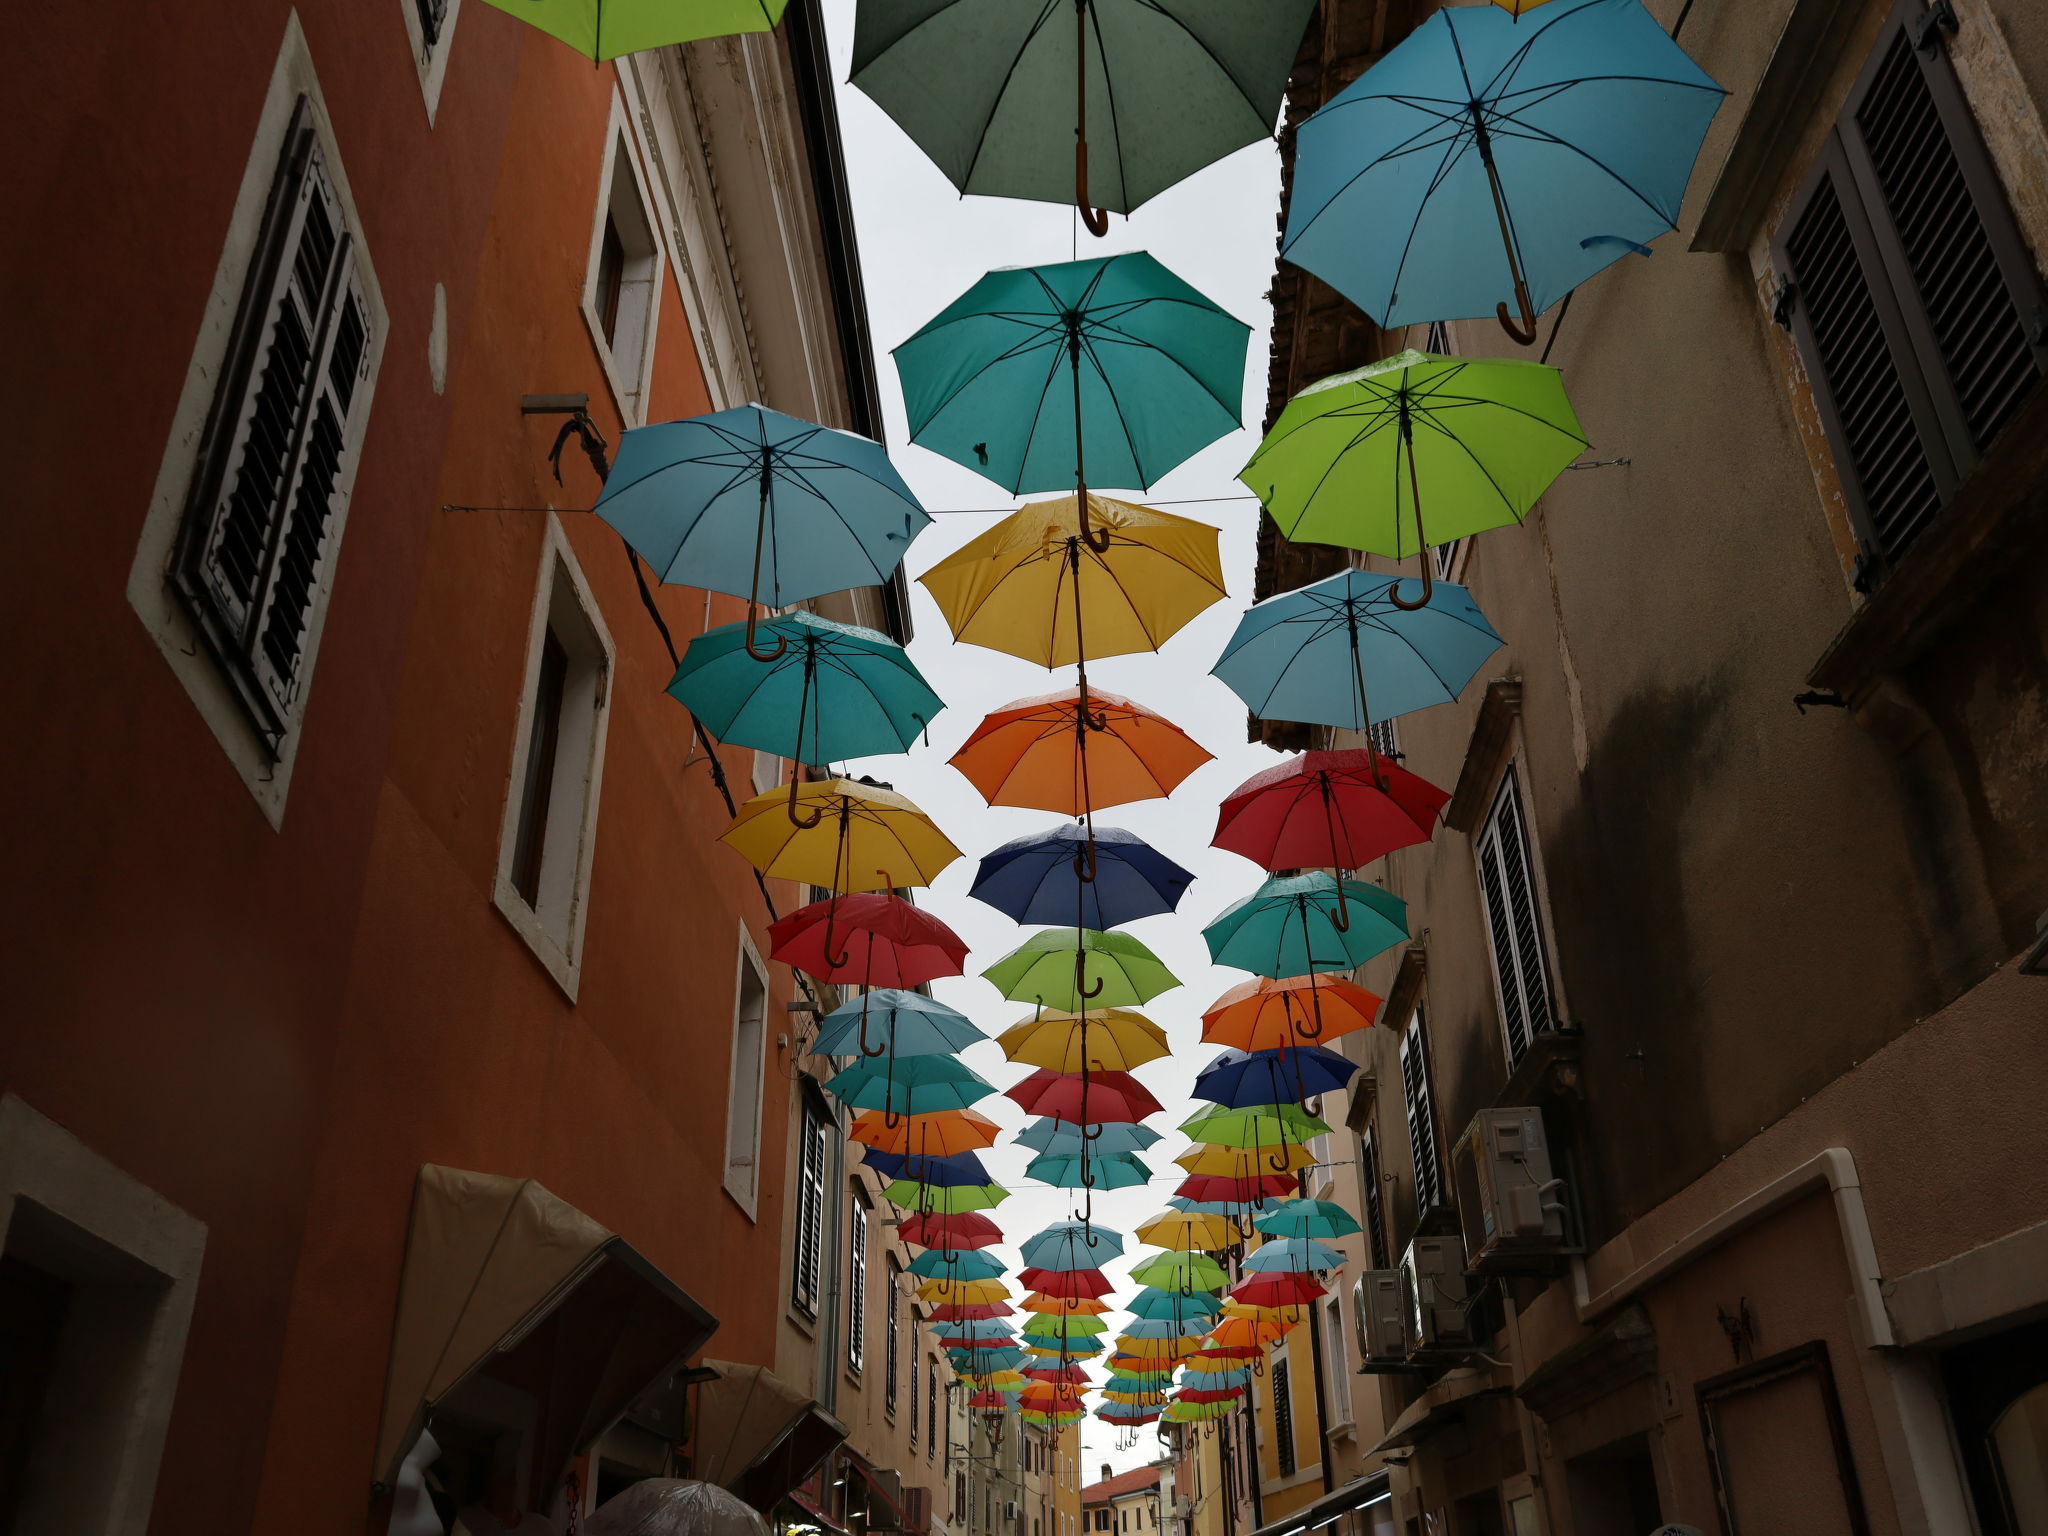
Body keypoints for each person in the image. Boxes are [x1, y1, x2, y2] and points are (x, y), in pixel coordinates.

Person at [454, 1460, 562, 1536]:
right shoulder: (465, 1519)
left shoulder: (541, 1525)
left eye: (509, 1478)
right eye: (498, 1479)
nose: (505, 1486)